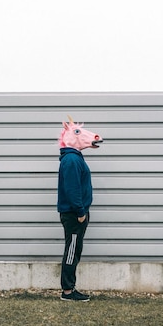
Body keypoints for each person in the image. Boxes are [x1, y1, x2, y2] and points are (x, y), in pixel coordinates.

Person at [57, 117, 103, 301]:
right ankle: (68, 291)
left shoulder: (74, 158)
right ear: (70, 135)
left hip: (76, 213)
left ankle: (70, 289)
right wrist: (80, 212)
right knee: (72, 250)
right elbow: (72, 189)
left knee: (74, 250)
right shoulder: (71, 160)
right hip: (75, 215)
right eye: (77, 132)